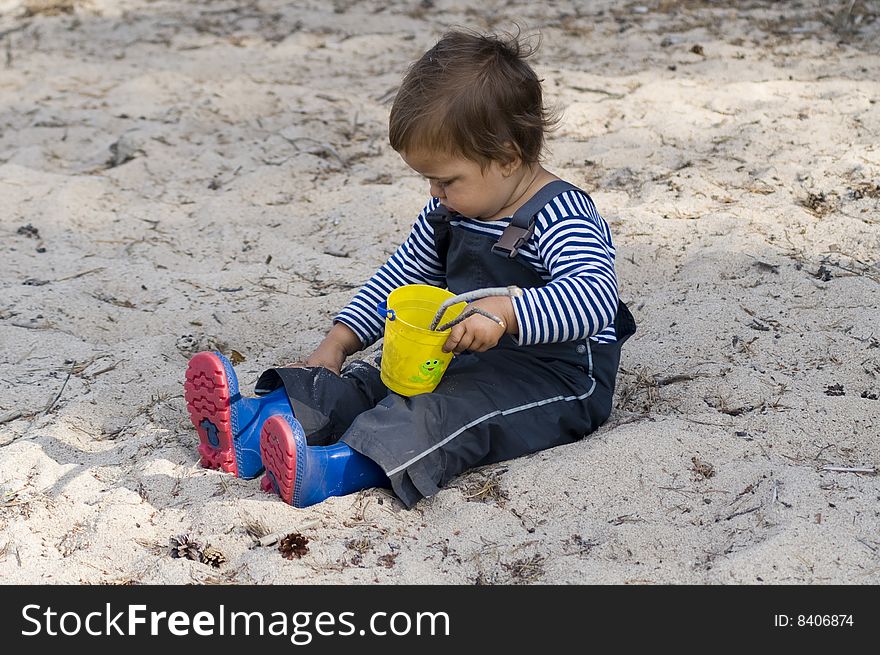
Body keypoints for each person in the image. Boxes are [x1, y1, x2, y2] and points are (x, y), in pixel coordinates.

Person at [184, 28, 636, 509]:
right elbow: (401, 279)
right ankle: (252, 428)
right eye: (428, 180)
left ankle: (329, 471)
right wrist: (338, 342)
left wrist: (505, 312)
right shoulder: (450, 211)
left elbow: (593, 297)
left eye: (446, 179)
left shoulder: (561, 214)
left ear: (507, 158)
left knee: (438, 414)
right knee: (366, 382)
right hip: (454, 355)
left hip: (551, 378)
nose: (435, 193)